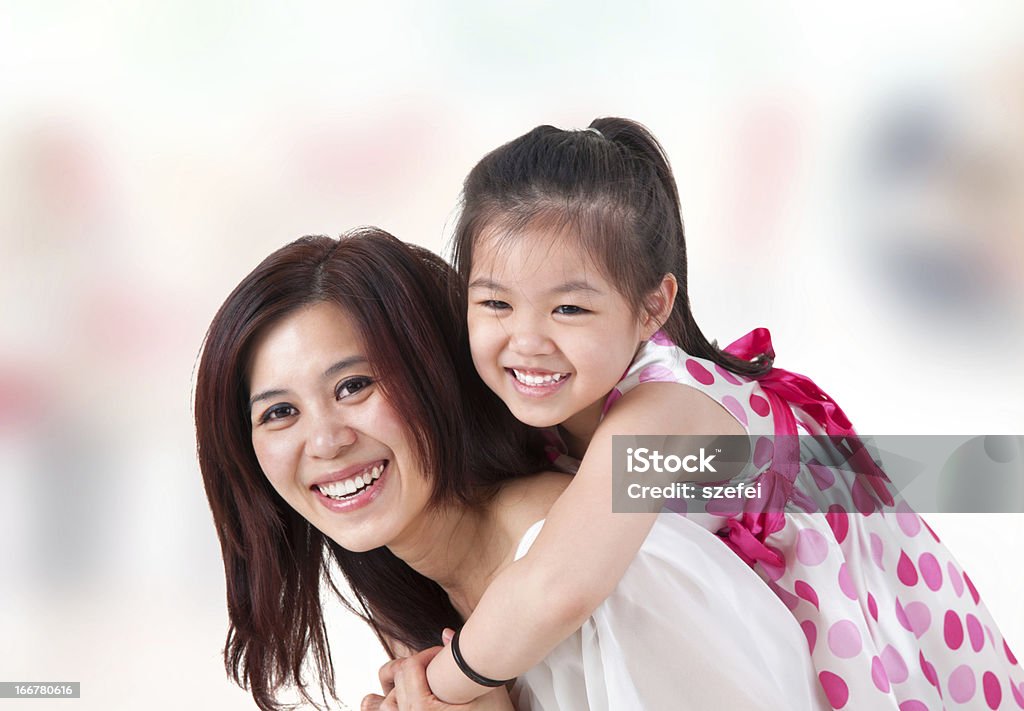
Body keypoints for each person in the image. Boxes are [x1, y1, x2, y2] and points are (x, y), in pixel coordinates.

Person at [417, 118, 1024, 710]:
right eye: (496, 302)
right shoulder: (558, 407)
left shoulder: (662, 411)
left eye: (569, 309)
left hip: (866, 608)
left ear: (653, 306)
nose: (526, 340)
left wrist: (433, 685)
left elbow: (558, 587)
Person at [194, 228, 828, 710]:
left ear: (437, 376)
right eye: (278, 412)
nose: (326, 441)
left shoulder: (611, 569)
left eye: (355, 385)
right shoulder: (413, 595)